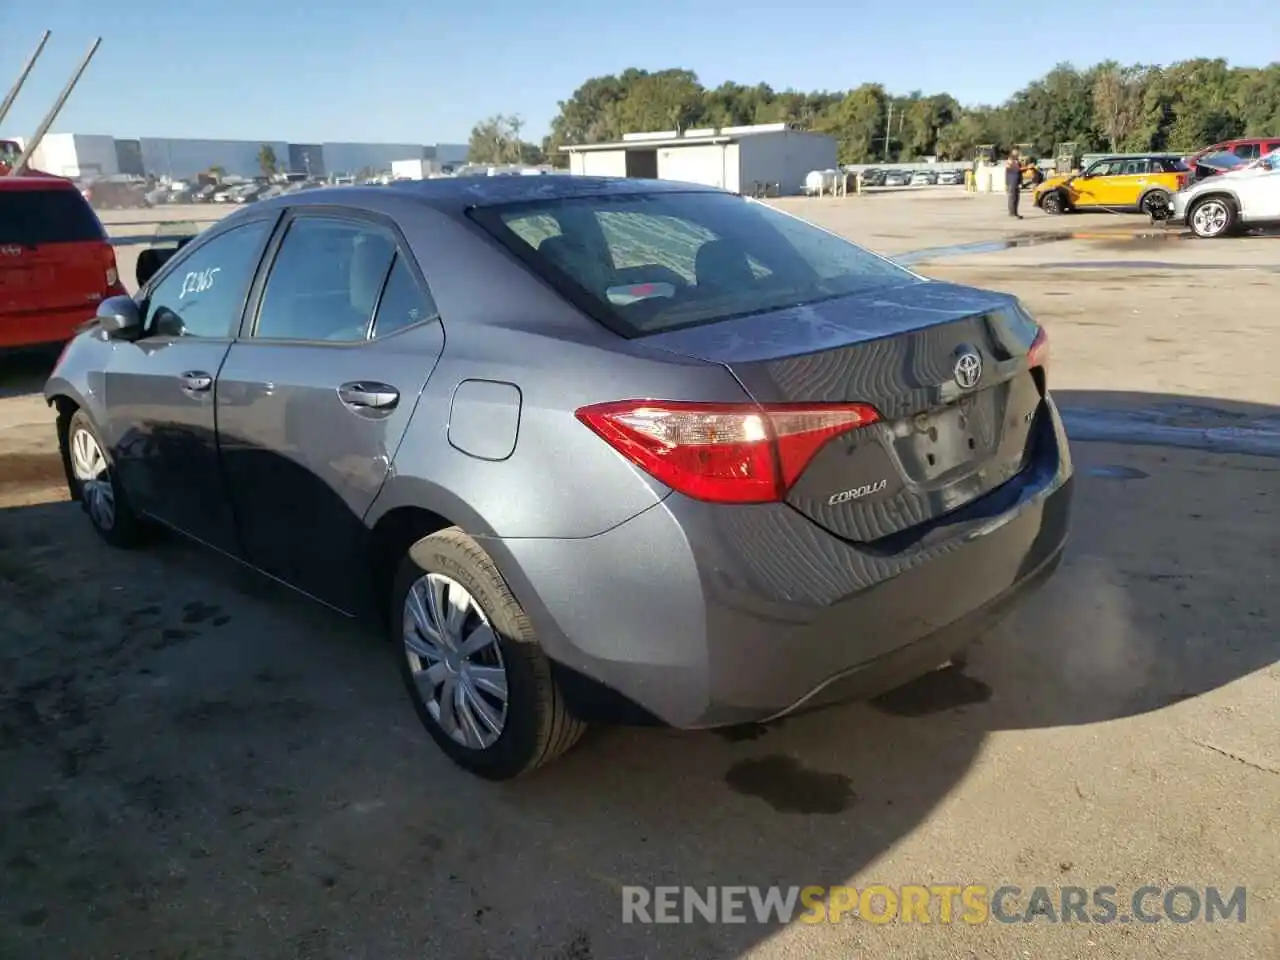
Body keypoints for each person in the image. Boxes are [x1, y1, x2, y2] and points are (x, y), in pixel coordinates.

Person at [1005, 150, 1023, 218]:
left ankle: (1015, 212)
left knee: (1017, 198)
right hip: (1011, 182)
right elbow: (1017, 169)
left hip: (1016, 182)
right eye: (1017, 154)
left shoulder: (1017, 161)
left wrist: (1021, 182)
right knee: (1012, 197)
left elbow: (1019, 172)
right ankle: (1012, 212)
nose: (1018, 155)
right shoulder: (1010, 161)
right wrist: (1027, 167)